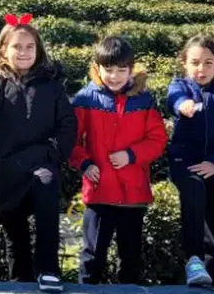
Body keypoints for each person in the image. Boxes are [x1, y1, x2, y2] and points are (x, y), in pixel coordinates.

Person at [0, 13, 75, 293]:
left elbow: (67, 125)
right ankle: (20, 283)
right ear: (4, 50)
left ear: (38, 50)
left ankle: (48, 270)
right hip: (5, 171)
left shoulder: (52, 86)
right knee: (16, 236)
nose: (24, 52)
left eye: (29, 46)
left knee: (46, 187)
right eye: (17, 46)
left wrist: (52, 152)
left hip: (40, 163)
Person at [69, 37, 167, 285]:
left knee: (130, 258)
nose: (114, 76)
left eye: (121, 70)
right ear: (97, 68)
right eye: (108, 69)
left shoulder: (144, 100)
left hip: (133, 193)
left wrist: (131, 155)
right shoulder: (85, 99)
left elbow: (157, 140)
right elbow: (70, 140)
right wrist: (84, 164)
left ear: (131, 69)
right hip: (99, 191)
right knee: (92, 257)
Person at [166, 34, 214, 287]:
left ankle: (210, 276)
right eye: (195, 62)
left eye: (208, 63)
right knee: (194, 190)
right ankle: (193, 259)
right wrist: (184, 105)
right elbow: (175, 100)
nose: (201, 69)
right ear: (184, 63)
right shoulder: (179, 87)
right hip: (186, 162)